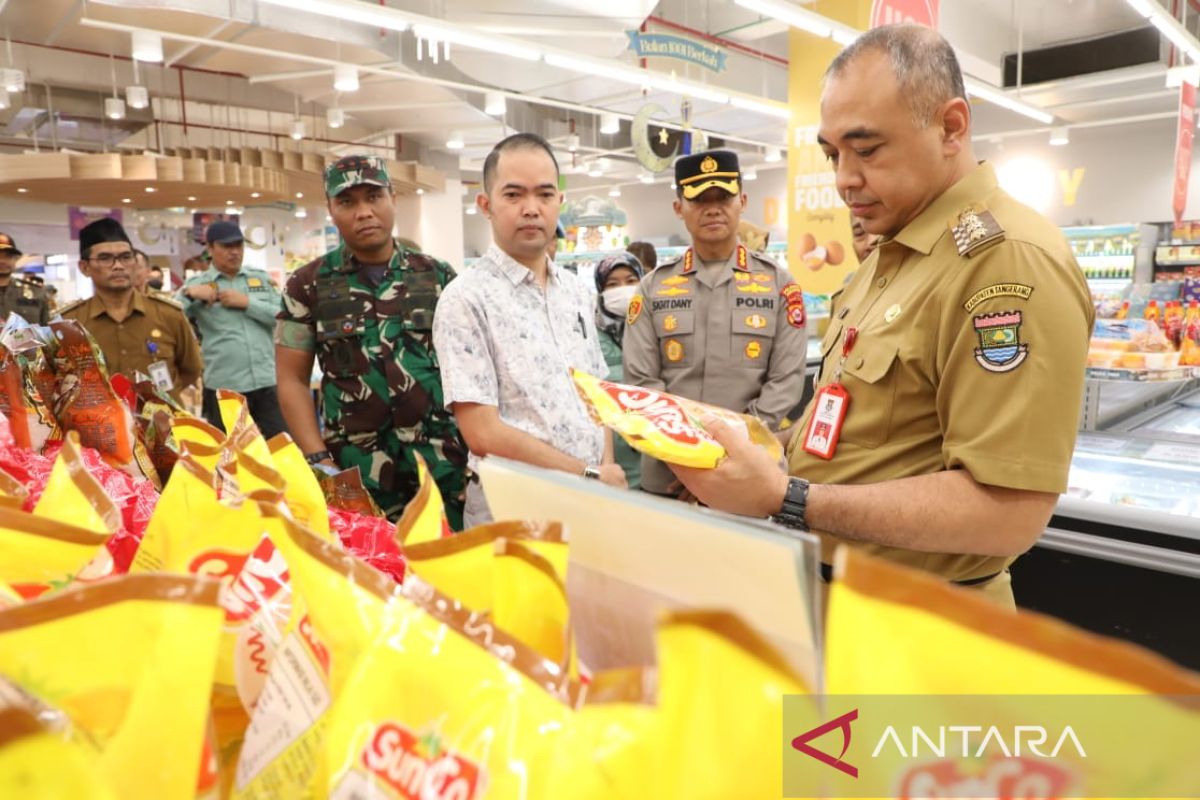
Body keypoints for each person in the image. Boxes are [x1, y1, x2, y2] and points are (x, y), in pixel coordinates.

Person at [668, 25, 1094, 609]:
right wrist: (763, 448)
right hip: (836, 598)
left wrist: (786, 497)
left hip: (923, 624)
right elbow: (854, 425)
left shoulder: (1005, 262)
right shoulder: (890, 253)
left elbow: (1007, 511)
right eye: (831, 153)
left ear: (950, 127)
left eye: (866, 150)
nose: (843, 177)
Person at [433, 132, 625, 527]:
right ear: (485, 205)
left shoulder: (574, 291)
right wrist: (587, 474)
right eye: (514, 195)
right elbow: (482, 433)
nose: (531, 209)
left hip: (591, 506)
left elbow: (596, 396)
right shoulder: (465, 299)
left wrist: (605, 468)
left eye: (544, 194)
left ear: (560, 203)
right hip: (515, 513)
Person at [275, 155, 468, 527]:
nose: (363, 212)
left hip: (442, 461)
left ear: (393, 198)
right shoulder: (306, 285)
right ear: (331, 209)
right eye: (347, 202)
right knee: (371, 573)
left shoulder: (438, 276)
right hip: (356, 467)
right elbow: (292, 380)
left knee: (452, 567)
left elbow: (470, 368)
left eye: (374, 197)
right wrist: (318, 460)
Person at [622, 149, 809, 498]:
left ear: (742, 200)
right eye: (698, 199)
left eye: (723, 197)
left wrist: (724, 457)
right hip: (669, 477)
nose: (712, 208)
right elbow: (643, 384)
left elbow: (784, 384)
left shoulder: (780, 286)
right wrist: (689, 458)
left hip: (752, 476)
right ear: (679, 208)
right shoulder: (652, 289)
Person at [60, 218, 202, 402]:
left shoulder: (168, 314)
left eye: (126, 257)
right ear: (85, 267)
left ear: (135, 262)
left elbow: (190, 370)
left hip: (161, 424)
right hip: (98, 427)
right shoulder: (69, 323)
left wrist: (160, 400)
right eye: (105, 258)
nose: (118, 265)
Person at [179, 221, 289, 439]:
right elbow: (170, 317)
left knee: (282, 450)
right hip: (225, 387)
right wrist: (189, 295)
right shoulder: (198, 285)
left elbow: (283, 315)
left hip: (267, 381)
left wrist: (248, 303)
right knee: (229, 458)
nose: (235, 252)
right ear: (210, 249)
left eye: (239, 246)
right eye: (227, 247)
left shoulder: (259, 279)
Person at [593, 252, 644, 489]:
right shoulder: (590, 335)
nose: (623, 289)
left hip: (658, 455)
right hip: (612, 458)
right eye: (612, 284)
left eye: (631, 280)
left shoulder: (657, 329)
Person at [0, 233, 49, 325]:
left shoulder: (36, 292)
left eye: (7, 256)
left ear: (15, 260)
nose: (2, 260)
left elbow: (46, 330)